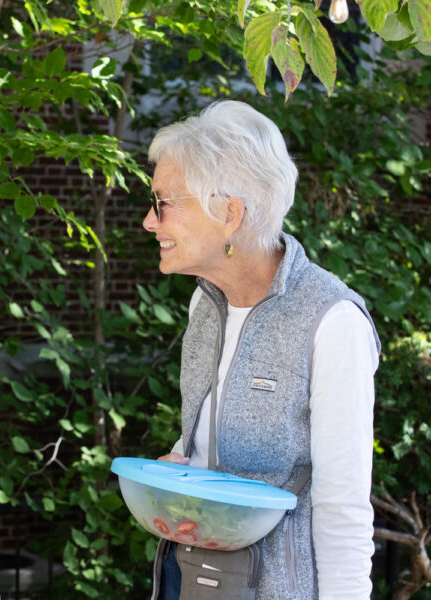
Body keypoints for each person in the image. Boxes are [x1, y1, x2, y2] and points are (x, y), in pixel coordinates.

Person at [143, 100, 380, 599]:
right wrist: (183, 463)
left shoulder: (333, 321)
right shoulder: (204, 303)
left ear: (229, 214)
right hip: (186, 579)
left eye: (164, 202)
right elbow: (208, 453)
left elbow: (343, 508)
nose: (149, 221)